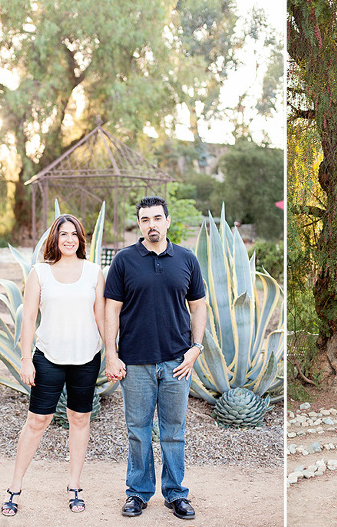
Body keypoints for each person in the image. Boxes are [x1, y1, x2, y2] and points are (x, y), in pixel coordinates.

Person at [104, 195, 207, 520]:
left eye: (157, 218)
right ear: (139, 223)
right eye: (145, 219)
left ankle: (176, 494)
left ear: (167, 221)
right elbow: (112, 309)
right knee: (138, 431)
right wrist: (111, 354)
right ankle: (138, 493)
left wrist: (196, 347)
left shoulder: (187, 259)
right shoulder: (124, 261)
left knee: (174, 431)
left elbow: (199, 305)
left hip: (178, 363)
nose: (152, 225)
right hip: (135, 363)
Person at [1, 214, 105, 516]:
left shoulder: (94, 272)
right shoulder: (39, 273)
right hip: (47, 358)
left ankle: (74, 487)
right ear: (55, 240)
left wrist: (113, 353)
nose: (69, 239)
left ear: (81, 239)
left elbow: (101, 317)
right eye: (63, 235)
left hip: (86, 359)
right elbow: (29, 319)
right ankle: (14, 488)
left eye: (74, 234)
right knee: (36, 422)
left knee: (80, 419)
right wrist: (25, 359)